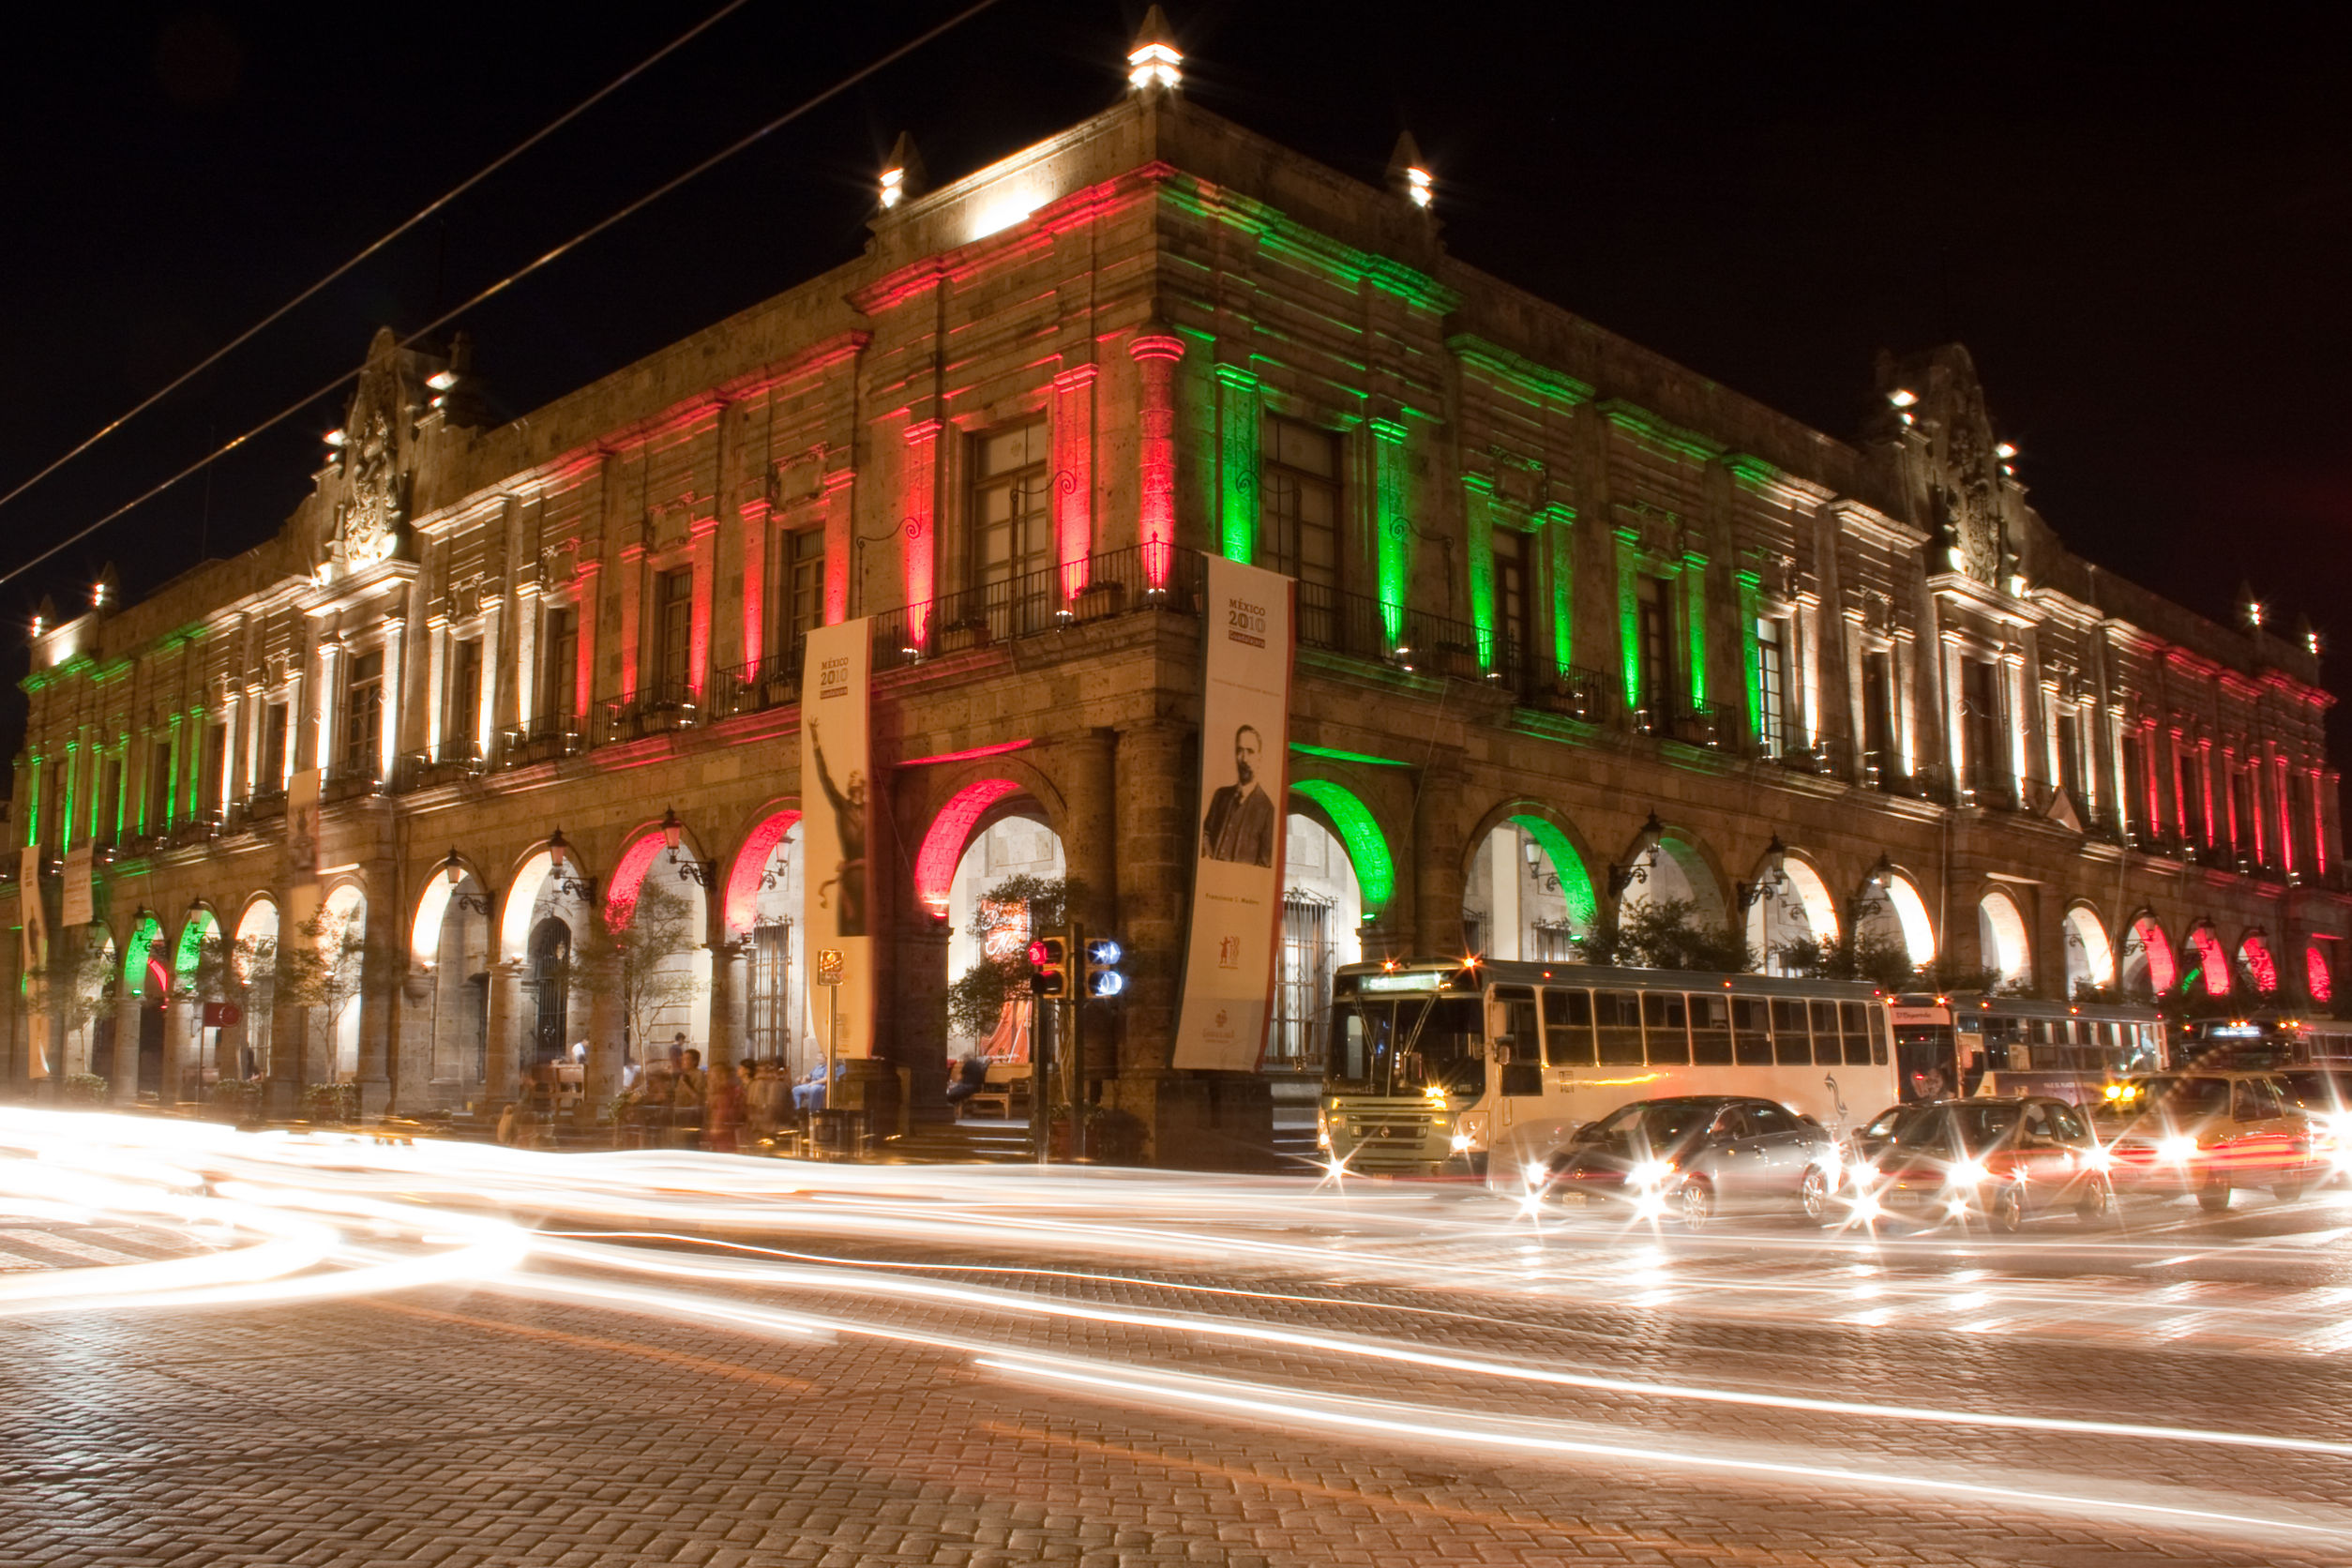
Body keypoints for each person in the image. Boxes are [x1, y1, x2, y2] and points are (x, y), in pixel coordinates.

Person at [810, 720, 868, 935]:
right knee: (849, 926)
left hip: (868, 877)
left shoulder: (872, 809)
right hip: (850, 878)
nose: (854, 777)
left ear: (863, 784)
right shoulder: (842, 807)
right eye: (851, 776)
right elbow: (826, 780)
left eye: (857, 775)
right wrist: (816, 745)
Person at [1199, 723, 1275, 865]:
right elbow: (1205, 833)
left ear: (1260, 757)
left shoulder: (1267, 810)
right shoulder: (1221, 796)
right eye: (1239, 751)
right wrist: (1207, 858)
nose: (1244, 759)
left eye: (1250, 751)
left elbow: (1265, 863)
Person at [704, 1062, 748, 1153]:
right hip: (729, 1136)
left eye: (712, 1078)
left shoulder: (723, 1096)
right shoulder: (732, 1092)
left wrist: (710, 1133)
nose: (710, 1081)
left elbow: (719, 1120)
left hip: (724, 1139)